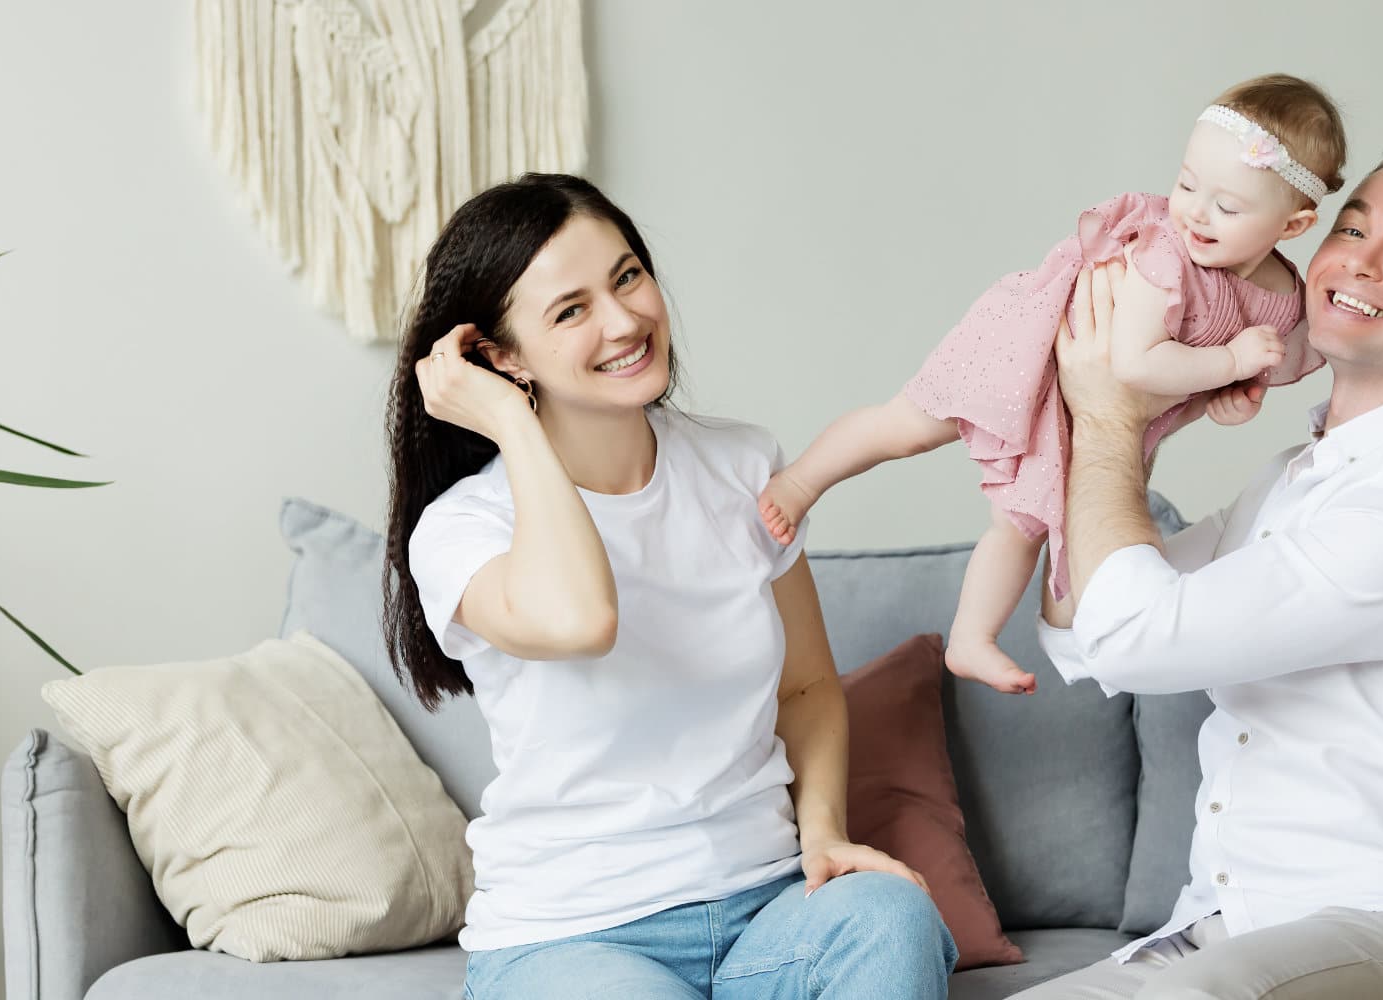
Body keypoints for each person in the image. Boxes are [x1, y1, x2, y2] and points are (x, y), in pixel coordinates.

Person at [380, 173, 957, 999]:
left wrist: (823, 833)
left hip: (764, 908)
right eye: (570, 311)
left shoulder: (742, 465)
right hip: (571, 937)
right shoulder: (462, 529)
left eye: (627, 277)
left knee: (891, 918)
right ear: (500, 357)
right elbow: (583, 619)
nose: (624, 321)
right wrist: (510, 422)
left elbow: (805, 685)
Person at [1019, 126, 1383, 1000]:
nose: (1359, 261)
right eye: (1352, 228)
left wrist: (1108, 416)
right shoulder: (1298, 478)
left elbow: (1135, 639)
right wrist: (1139, 420)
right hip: (1228, 929)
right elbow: (1081, 629)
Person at [758, 74, 1344, 694]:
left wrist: (1229, 398)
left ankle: (970, 639)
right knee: (907, 426)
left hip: (1087, 411)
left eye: (1227, 206)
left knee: (1021, 524)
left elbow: (1225, 377)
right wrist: (1227, 362)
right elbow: (1135, 363)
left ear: (1293, 226)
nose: (1195, 211)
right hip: (1031, 351)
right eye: (1187, 183)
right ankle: (800, 482)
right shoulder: (1165, 253)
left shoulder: (1283, 298)